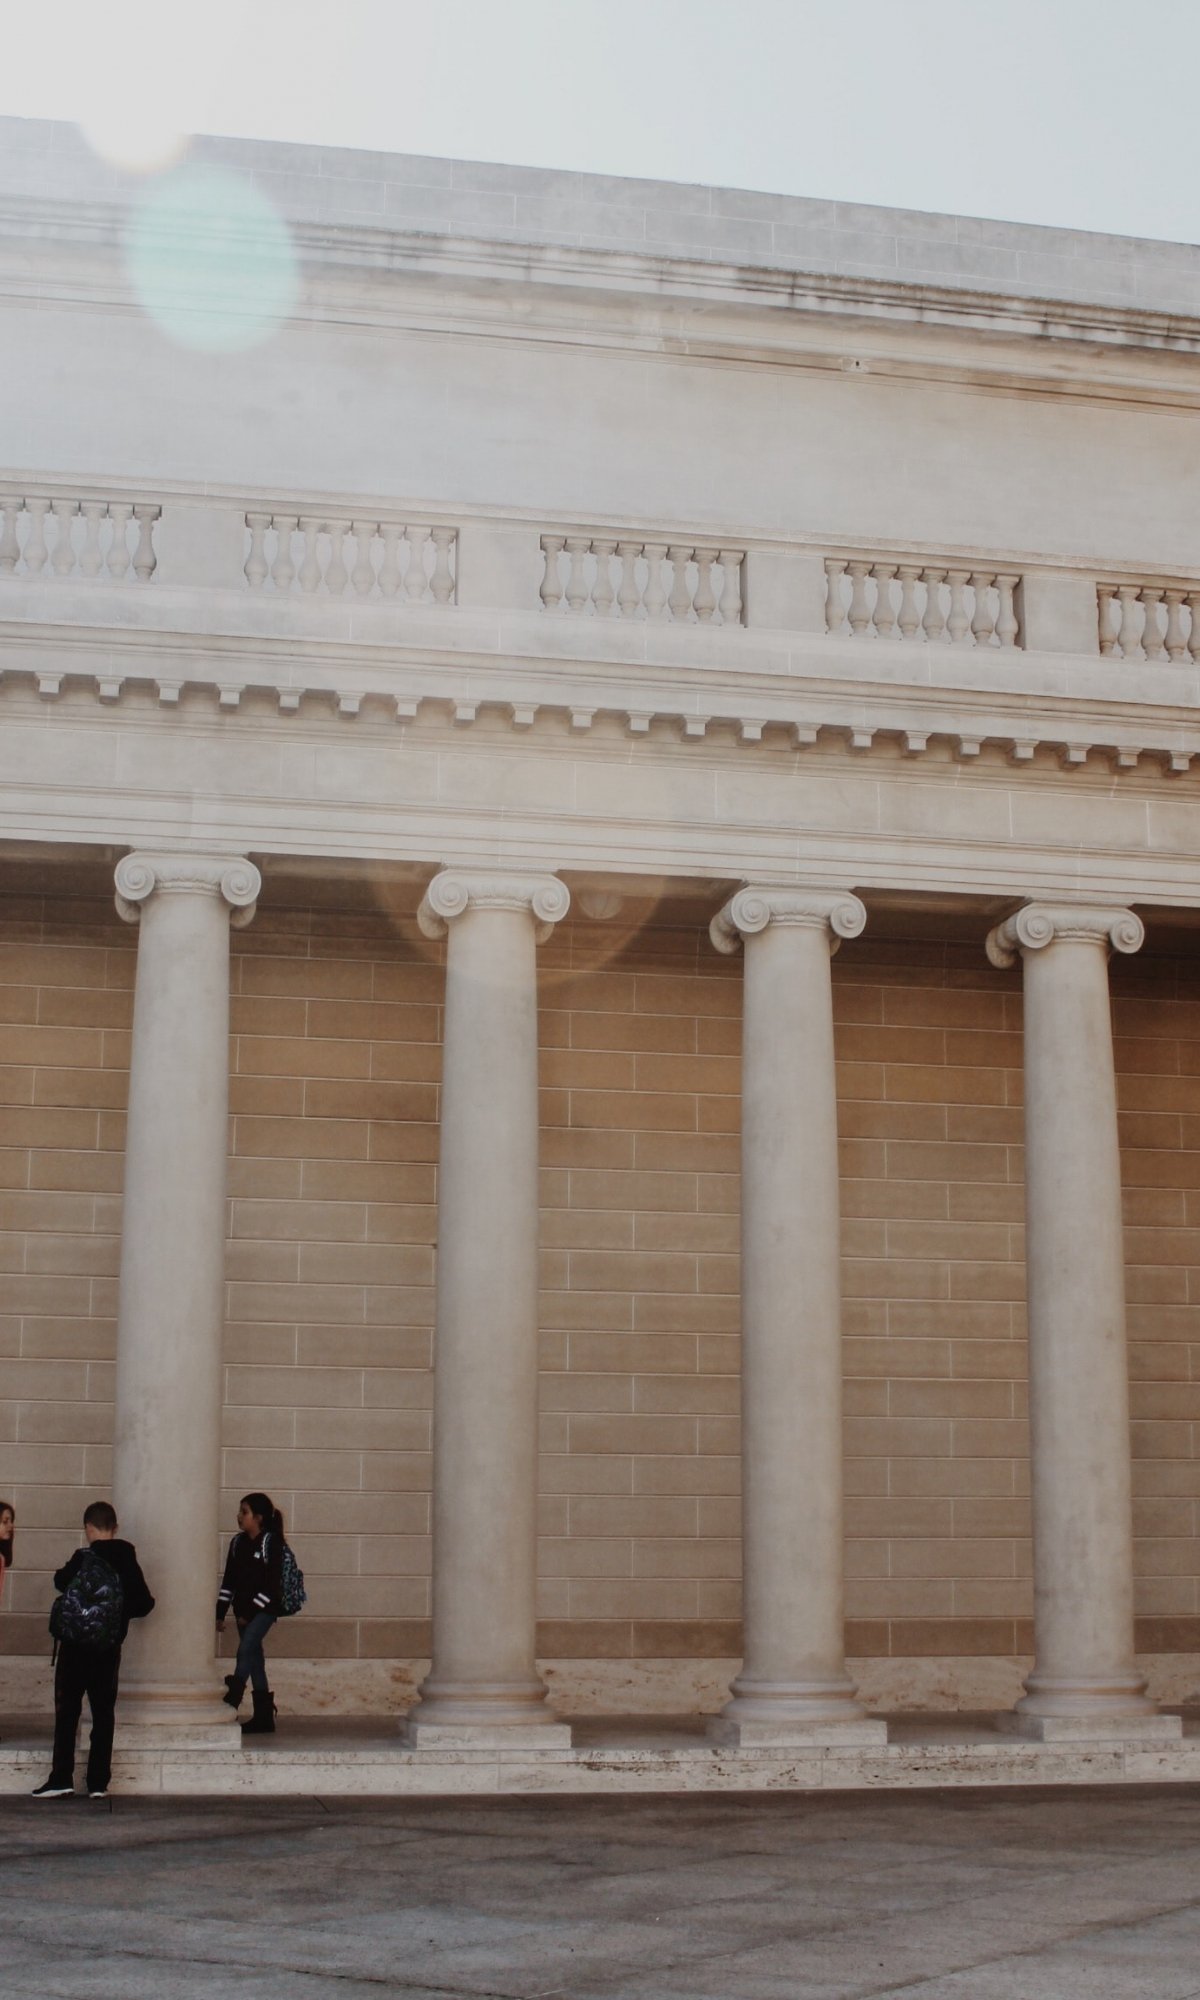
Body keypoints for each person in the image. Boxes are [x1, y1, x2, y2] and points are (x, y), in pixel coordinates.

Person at [32, 1501, 154, 1801]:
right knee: (103, 1713)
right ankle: (98, 1782)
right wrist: (115, 1614)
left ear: (88, 1527)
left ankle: (61, 1778)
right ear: (115, 1527)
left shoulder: (82, 1557)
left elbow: (60, 1581)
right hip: (107, 1648)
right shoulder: (126, 1558)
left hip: (74, 1647)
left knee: (67, 1712)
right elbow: (145, 1602)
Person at [216, 1492, 283, 1735]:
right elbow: (229, 1581)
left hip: (264, 1610)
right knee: (255, 1660)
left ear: (259, 1517)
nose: (239, 1516)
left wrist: (251, 1612)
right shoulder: (237, 1543)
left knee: (245, 1650)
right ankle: (264, 1718)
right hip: (242, 1611)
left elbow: (272, 1586)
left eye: (244, 1512)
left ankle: (230, 1704)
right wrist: (220, 1612)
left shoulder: (271, 1543)